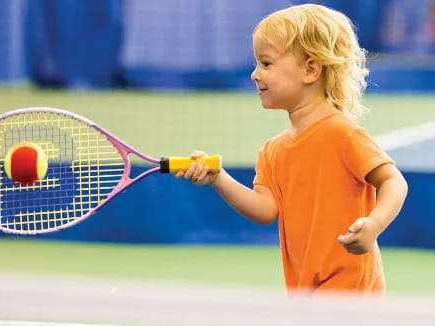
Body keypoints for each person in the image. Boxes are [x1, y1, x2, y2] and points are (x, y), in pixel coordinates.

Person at [175, 4, 408, 296]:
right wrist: (218, 177)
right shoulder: (273, 150)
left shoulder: (342, 133)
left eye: (266, 63)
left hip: (349, 293)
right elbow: (265, 210)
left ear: (311, 69)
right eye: (257, 63)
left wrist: (374, 224)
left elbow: (394, 181)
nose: (254, 75)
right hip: (303, 293)